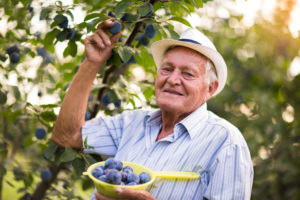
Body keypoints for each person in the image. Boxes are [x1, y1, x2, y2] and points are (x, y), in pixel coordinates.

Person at [51, 19, 254, 200]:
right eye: (167, 69)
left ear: (210, 88)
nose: (173, 79)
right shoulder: (131, 124)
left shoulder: (225, 143)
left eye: (188, 74)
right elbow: (67, 136)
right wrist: (92, 63)